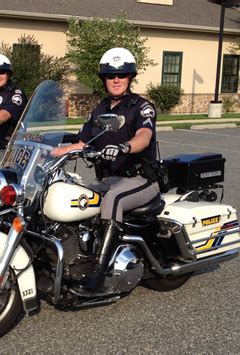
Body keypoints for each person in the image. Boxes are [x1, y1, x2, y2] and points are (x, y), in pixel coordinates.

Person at [52, 47, 160, 290]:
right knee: (75, 197)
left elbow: (144, 135)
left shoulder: (141, 107)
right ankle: (74, 255)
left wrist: (125, 147)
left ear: (130, 77)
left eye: (121, 75)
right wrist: (49, 151)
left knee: (112, 200)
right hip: (108, 178)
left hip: (140, 180)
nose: (116, 80)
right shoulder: (99, 109)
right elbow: (82, 142)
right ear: (104, 79)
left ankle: (99, 272)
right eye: (111, 76)